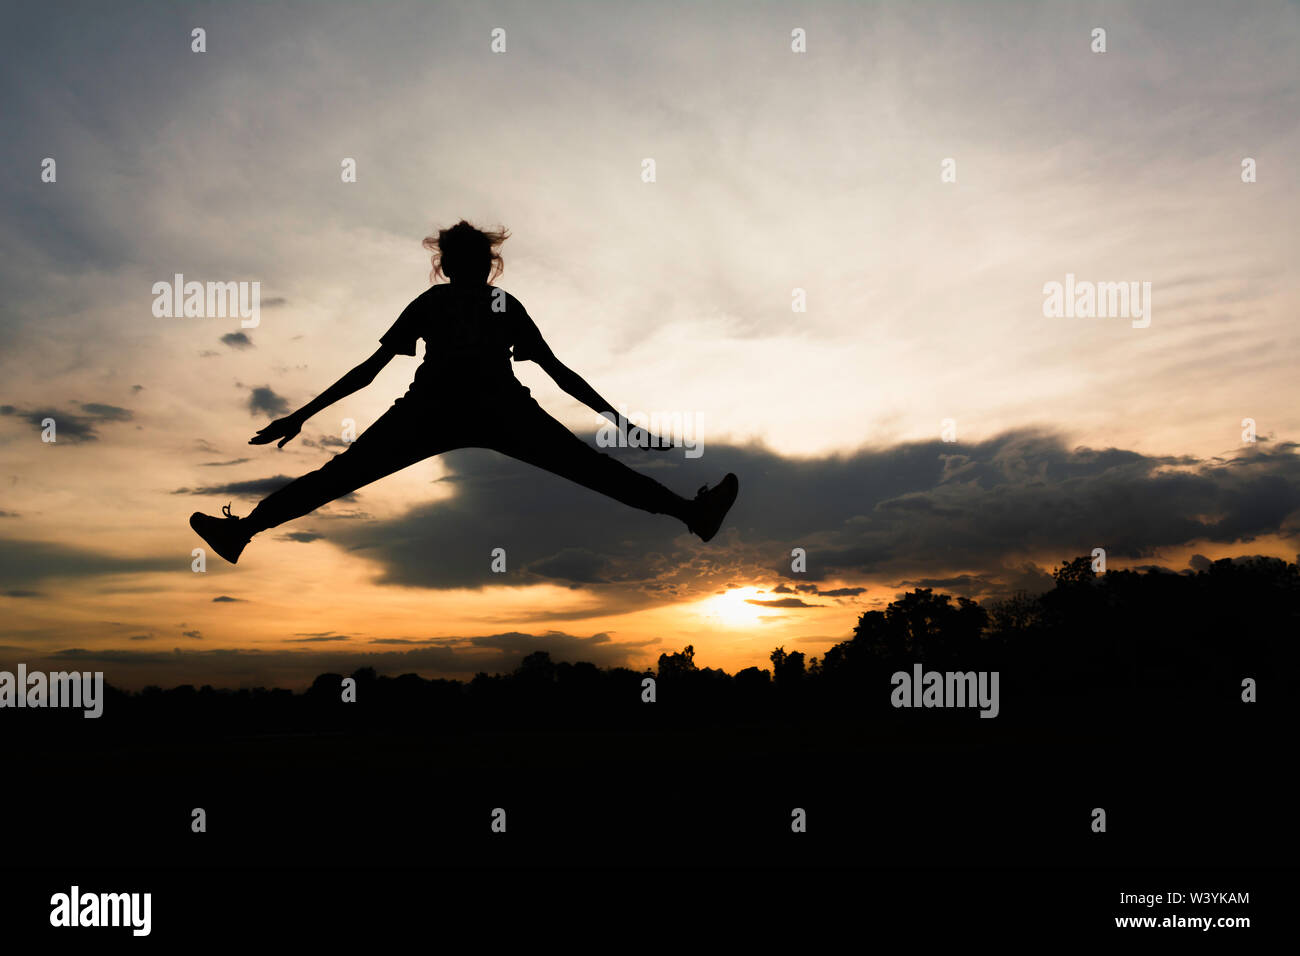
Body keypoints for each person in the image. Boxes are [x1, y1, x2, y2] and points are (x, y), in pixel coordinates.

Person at [189, 220, 739, 565]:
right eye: (460, 258)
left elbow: (553, 369)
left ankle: (693, 514)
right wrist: (300, 415)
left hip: (472, 411)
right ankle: (245, 531)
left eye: (470, 258)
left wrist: (620, 421)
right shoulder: (438, 304)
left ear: (475, 264)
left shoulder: (482, 304)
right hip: (450, 412)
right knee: (339, 476)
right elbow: (370, 369)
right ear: (452, 264)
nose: (465, 265)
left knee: (594, 471)